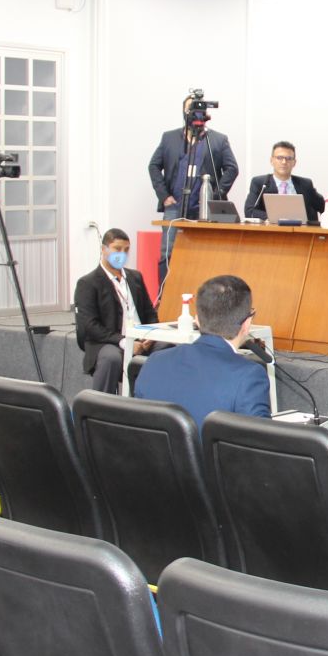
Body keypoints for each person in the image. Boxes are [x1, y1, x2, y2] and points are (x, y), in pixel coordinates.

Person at [133, 274, 270, 429]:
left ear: (197, 320)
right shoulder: (249, 376)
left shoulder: (154, 362)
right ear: (247, 324)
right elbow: (258, 441)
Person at [148, 90, 239, 289]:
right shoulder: (169, 138)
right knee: (168, 252)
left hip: (204, 209)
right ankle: (164, 296)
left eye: (200, 108)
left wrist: (216, 195)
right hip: (175, 205)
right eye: (191, 108)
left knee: (205, 254)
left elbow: (232, 169)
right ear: (184, 111)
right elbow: (154, 166)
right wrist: (164, 196)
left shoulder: (217, 140)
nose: (196, 112)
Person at [74, 228, 157, 393]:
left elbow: (150, 313)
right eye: (117, 249)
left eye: (126, 250)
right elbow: (90, 326)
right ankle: (101, 404)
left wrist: (151, 335)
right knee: (111, 358)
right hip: (109, 341)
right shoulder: (88, 283)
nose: (122, 254)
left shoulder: (135, 277)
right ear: (103, 249)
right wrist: (124, 342)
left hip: (140, 338)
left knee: (168, 348)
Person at [243, 140, 326, 222]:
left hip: (301, 229)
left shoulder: (305, 185)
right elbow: (249, 211)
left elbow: (325, 208)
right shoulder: (260, 184)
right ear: (271, 160)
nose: (284, 162)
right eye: (279, 158)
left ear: (294, 162)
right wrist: (275, 218)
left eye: (289, 158)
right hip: (271, 229)